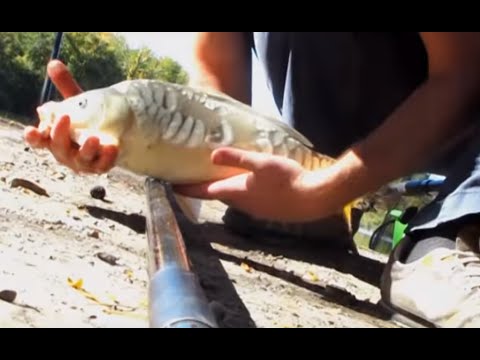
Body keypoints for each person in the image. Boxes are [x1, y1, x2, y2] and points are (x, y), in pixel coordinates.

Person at [25, 32, 480, 328]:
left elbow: (461, 70)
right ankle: (307, 186)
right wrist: (136, 137)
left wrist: (322, 193)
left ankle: (452, 232)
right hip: (320, 145)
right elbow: (214, 82)